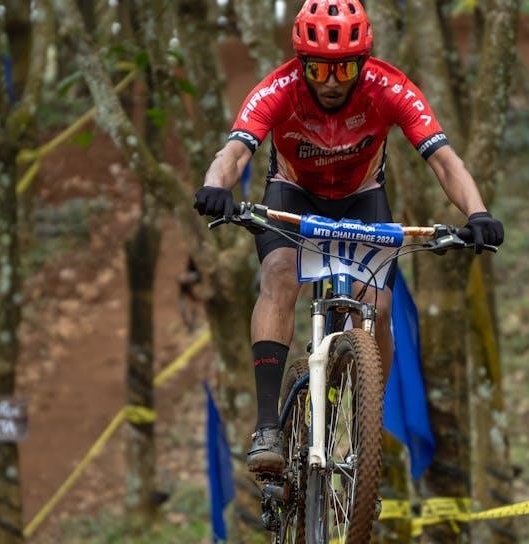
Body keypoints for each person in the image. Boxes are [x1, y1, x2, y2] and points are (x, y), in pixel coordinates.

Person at [193, 0, 504, 474]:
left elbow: (444, 161)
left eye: (345, 69)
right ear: (301, 63)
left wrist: (477, 213)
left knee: (377, 303)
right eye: (319, 68)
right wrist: (216, 186)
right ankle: (267, 426)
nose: (332, 82)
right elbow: (234, 152)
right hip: (293, 195)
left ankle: (365, 422)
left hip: (361, 200)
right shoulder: (278, 88)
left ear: (363, 63)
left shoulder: (390, 87)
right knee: (279, 274)